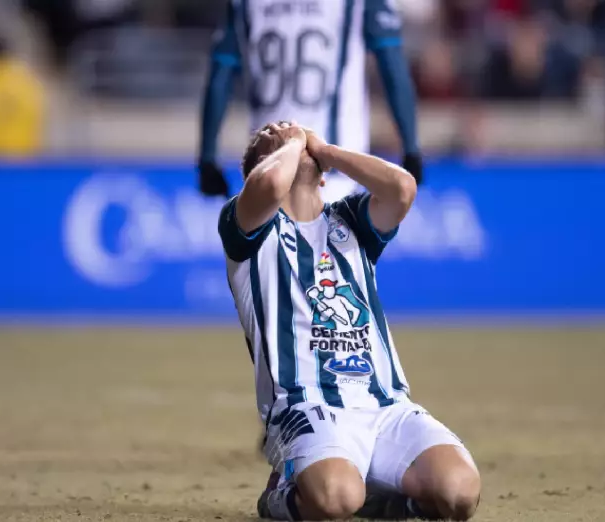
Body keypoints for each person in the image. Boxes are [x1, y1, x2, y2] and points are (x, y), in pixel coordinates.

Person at [218, 121, 480, 521]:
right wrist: (291, 143)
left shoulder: (351, 221)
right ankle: (280, 497)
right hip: (306, 407)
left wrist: (329, 152)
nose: (287, 129)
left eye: (293, 131)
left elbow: (402, 188)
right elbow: (269, 186)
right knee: (337, 500)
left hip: (385, 405)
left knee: (459, 493)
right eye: (271, 134)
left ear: (324, 178)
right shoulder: (250, 230)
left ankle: (388, 502)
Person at [199, 0, 423, 203]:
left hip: (268, 169)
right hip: (335, 171)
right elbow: (393, 68)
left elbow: (220, 75)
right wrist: (411, 147)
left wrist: (207, 156)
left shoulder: (244, 4)